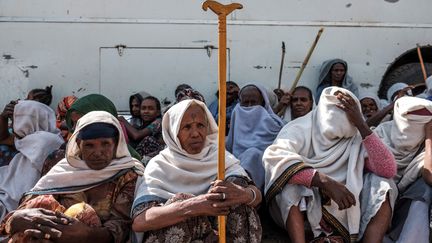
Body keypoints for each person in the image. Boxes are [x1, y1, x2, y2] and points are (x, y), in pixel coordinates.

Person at [264, 87, 397, 243]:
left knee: (383, 184)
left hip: (347, 204)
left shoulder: (355, 135)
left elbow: (387, 169)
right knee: (290, 185)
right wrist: (325, 182)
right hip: (303, 209)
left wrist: (361, 124)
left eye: (349, 112)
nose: (340, 117)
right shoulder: (299, 128)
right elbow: (274, 159)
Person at [0, 111, 145, 243]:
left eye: (105, 144)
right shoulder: (64, 170)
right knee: (41, 203)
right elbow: (26, 209)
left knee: (84, 213)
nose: (98, 152)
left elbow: (121, 226)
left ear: (116, 144)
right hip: (50, 236)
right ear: (78, 144)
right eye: (89, 145)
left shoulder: (127, 174)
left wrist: (88, 235)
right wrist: (16, 220)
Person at [132, 99, 262, 243]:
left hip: (222, 236)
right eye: (187, 127)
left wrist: (245, 194)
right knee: (179, 202)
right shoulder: (160, 165)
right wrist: (191, 207)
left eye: (200, 125)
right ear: (174, 132)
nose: (195, 133)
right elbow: (140, 221)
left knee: (236, 196)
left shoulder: (219, 157)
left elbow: (256, 196)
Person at [373, 97, 432, 242]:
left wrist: (429, 139)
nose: (412, 128)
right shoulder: (382, 133)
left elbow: (429, 176)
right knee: (382, 186)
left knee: (424, 190)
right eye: (410, 121)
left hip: (408, 198)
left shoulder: (425, 145)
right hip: (380, 196)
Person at [0, 100, 64, 221]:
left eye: (16, 120)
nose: (13, 126)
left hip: (19, 195)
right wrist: (3, 118)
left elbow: (4, 139)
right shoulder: (47, 138)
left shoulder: (45, 141)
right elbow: (4, 138)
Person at [226, 84, 285, 192]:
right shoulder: (237, 112)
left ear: (262, 103)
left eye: (253, 103)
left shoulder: (275, 124)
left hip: (265, 165)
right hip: (237, 161)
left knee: (252, 154)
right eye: (245, 103)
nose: (249, 107)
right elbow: (230, 142)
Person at [119, 96, 164, 163]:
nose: (146, 111)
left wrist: (123, 120)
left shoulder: (158, 123)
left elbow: (137, 135)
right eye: (143, 108)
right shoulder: (139, 125)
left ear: (157, 112)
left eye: (150, 109)